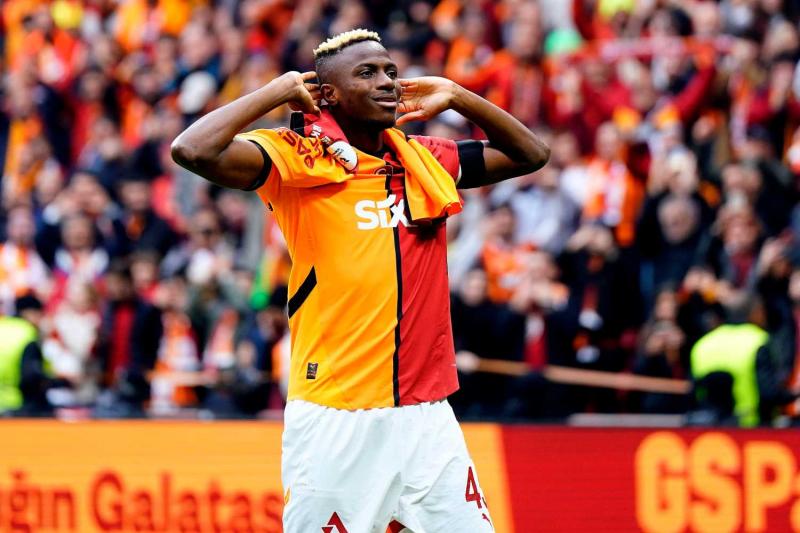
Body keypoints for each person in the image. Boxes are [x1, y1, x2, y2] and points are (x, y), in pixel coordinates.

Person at [172, 29, 548, 532]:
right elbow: (192, 149)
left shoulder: (425, 159)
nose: (386, 81)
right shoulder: (296, 158)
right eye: (367, 73)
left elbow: (531, 154)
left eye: (390, 71)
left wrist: (458, 95)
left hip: (426, 416)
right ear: (327, 93)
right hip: (337, 415)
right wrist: (277, 90)